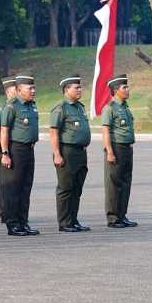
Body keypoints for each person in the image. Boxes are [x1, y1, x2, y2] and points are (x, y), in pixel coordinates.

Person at [50, 74, 91, 233]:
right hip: (67, 151)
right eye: (76, 87)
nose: (80, 90)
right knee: (66, 188)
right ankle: (65, 222)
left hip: (80, 152)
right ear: (67, 89)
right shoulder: (61, 108)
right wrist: (57, 154)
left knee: (77, 188)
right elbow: (54, 133)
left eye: (80, 87)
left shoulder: (80, 106)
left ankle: (73, 220)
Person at [0, 75, 40, 237]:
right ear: (18, 90)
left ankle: (23, 222)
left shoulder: (32, 106)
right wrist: (5, 153)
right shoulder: (12, 106)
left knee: (26, 188)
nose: (33, 91)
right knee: (14, 189)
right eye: (30, 88)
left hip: (29, 150)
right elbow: (4, 130)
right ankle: (13, 224)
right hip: (16, 149)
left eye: (33, 87)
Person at [102, 73, 137, 229]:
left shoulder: (125, 107)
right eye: (125, 87)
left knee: (125, 183)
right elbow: (105, 131)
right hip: (116, 148)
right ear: (116, 90)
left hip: (127, 149)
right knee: (114, 184)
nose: (128, 90)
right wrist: (109, 151)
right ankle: (113, 217)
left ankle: (122, 215)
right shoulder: (110, 108)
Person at [0, 76, 17, 223]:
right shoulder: (3, 109)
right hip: (3, 150)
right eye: (15, 89)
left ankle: (12, 211)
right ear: (8, 92)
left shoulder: (17, 107)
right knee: (4, 183)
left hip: (13, 148)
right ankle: (5, 213)